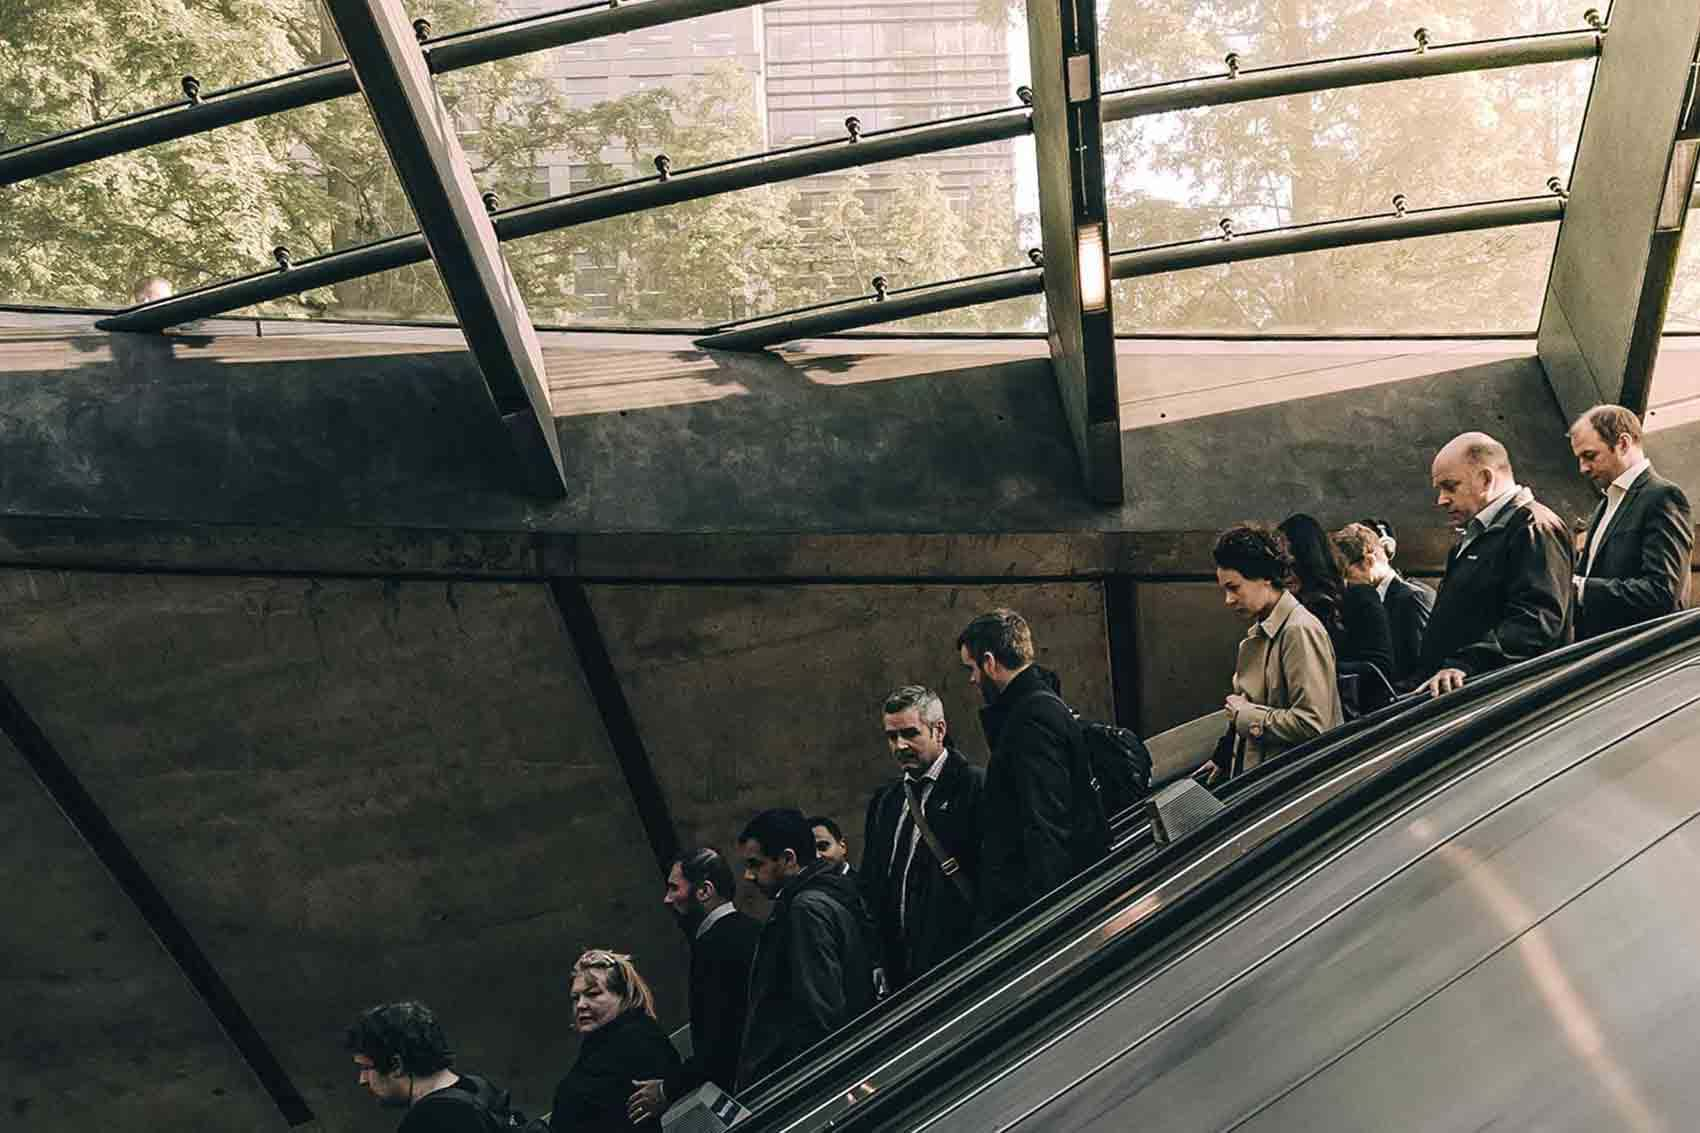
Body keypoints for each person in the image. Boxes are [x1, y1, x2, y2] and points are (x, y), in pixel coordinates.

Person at [957, 609, 1109, 929]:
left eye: (971, 669)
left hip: (1037, 910)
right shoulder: (1039, 706)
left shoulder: (1030, 720)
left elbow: (1046, 824)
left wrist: (1044, 923)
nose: (972, 680)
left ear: (989, 662)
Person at [1418, 432, 1574, 697]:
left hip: (1504, 699)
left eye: (1450, 486)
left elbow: (1539, 619)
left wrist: (1468, 664)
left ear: (1486, 479)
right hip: (1470, 695)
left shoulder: (1534, 528)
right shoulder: (1473, 537)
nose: (1441, 500)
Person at [736, 808, 876, 1090]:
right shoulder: (829, 892)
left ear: (788, 859)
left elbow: (821, 1011)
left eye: (755, 864)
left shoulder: (805, 909)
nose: (748, 876)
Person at [860, 684, 985, 992]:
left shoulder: (973, 787)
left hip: (959, 965)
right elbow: (872, 884)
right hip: (900, 973)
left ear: (938, 730)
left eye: (910, 734)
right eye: (892, 737)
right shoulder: (886, 802)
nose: (900, 746)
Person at [629, 849, 761, 1122]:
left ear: (704, 891)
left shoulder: (711, 948)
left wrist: (667, 1088)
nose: (667, 899)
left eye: (674, 888)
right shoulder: (754, 929)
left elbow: (718, 1043)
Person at [1204, 524, 1343, 782]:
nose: (1228, 600)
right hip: (1271, 783)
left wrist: (1245, 716)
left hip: (1292, 789)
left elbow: (1314, 724)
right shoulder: (1263, 631)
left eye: (1234, 587)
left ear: (1265, 577)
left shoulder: (1298, 630)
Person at [1568, 405, 1694, 638]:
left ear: (1623, 444)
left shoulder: (1663, 497)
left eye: (1589, 456)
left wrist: (1581, 589)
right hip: (1600, 655)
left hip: (1638, 661)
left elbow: (1663, 594)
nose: (1582, 468)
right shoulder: (1604, 505)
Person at [552, 950, 680, 1131]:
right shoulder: (600, 1044)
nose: (580, 1005)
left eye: (593, 994)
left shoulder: (637, 1039)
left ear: (623, 996)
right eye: (575, 998)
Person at [345, 1000, 508, 1132]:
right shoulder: (478, 1087)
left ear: (396, 1065)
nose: (362, 1080)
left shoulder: (428, 1120)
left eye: (366, 1068)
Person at [1279, 513, 1394, 681]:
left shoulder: (1359, 596)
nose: (1285, 576)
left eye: (1290, 566)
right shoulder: (1289, 606)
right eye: (1280, 568)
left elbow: (1381, 667)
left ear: (1308, 560)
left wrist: (1315, 665)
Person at [1334, 522, 1436, 688]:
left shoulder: (1412, 598)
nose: (1345, 582)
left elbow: (1422, 666)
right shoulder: (1371, 600)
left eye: (1346, 572)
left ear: (1368, 561)